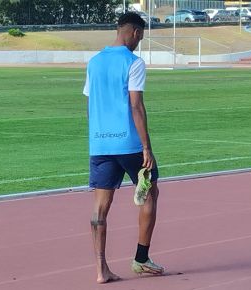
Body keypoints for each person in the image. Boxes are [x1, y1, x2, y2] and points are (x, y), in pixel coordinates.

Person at [83, 12, 164, 284]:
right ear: (136, 32)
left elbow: (89, 104)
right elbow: (136, 105)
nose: (139, 41)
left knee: (100, 207)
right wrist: (146, 147)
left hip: (100, 143)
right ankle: (141, 259)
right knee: (150, 191)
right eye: (140, 37)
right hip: (128, 142)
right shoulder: (133, 63)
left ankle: (100, 270)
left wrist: (97, 135)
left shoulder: (94, 63)